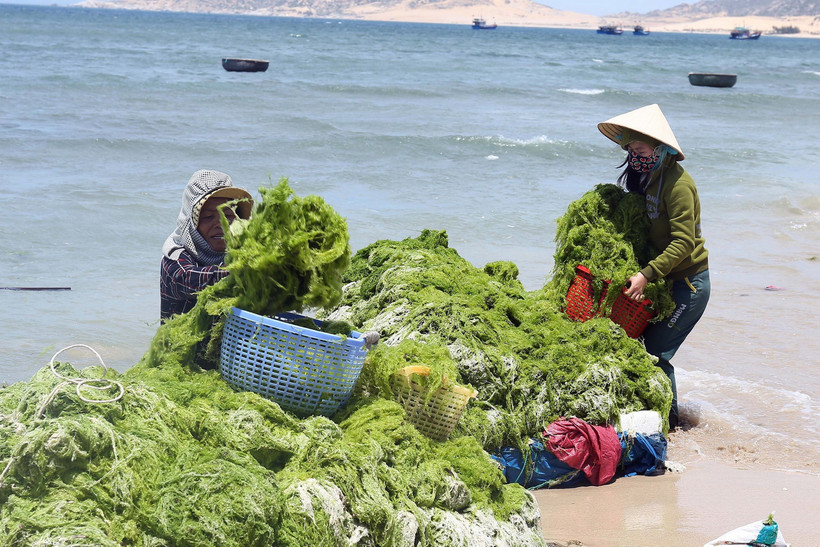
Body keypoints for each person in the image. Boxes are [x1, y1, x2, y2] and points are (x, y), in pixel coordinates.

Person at [597, 104, 710, 429]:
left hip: (689, 285)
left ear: (661, 149)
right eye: (630, 150)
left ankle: (670, 427)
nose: (635, 156)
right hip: (667, 281)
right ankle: (659, 418)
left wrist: (645, 275)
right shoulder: (649, 178)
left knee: (657, 353)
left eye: (640, 149)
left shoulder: (679, 186)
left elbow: (683, 244)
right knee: (640, 344)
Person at [160, 169, 253, 320]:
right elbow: (194, 279)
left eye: (228, 215)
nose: (220, 223)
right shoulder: (175, 260)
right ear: (191, 222)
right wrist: (253, 272)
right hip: (183, 342)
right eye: (208, 216)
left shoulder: (237, 253)